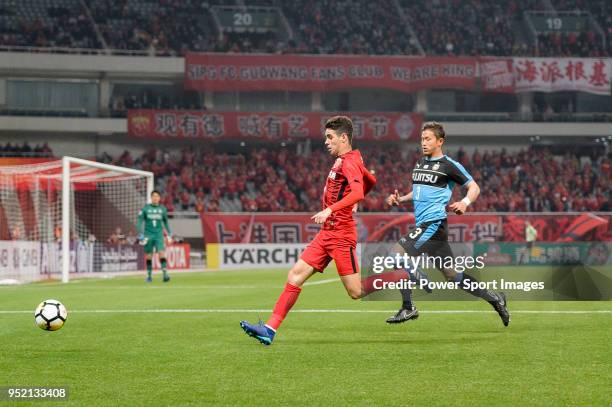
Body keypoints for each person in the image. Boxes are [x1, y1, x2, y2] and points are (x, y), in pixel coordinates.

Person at [240, 116, 382, 345]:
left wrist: (332, 209)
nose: (326, 142)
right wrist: (352, 200)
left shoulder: (348, 162)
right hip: (326, 233)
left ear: (343, 138)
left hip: (341, 234)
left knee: (355, 292)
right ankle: (269, 329)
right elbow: (370, 181)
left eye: (330, 137)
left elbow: (358, 192)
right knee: (295, 275)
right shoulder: (348, 159)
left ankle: (403, 275)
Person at [385, 121, 510, 326]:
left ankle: (408, 307)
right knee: (453, 275)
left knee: (396, 254)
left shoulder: (449, 165)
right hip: (431, 229)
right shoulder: (420, 164)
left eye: (428, 139)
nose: (423, 143)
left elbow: (474, 187)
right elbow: (418, 193)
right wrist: (401, 199)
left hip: (432, 225)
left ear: (440, 141)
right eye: (422, 139)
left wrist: (465, 202)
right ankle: (495, 298)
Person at [137, 190, 173, 283]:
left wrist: (169, 234)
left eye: (157, 196)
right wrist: (140, 233)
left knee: (161, 253)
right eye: (153, 196)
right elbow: (139, 221)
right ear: (151, 197)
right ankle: (149, 275)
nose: (155, 198)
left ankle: (165, 274)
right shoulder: (145, 209)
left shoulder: (163, 209)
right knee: (149, 255)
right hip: (148, 235)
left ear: (159, 198)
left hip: (159, 235)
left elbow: (165, 222)